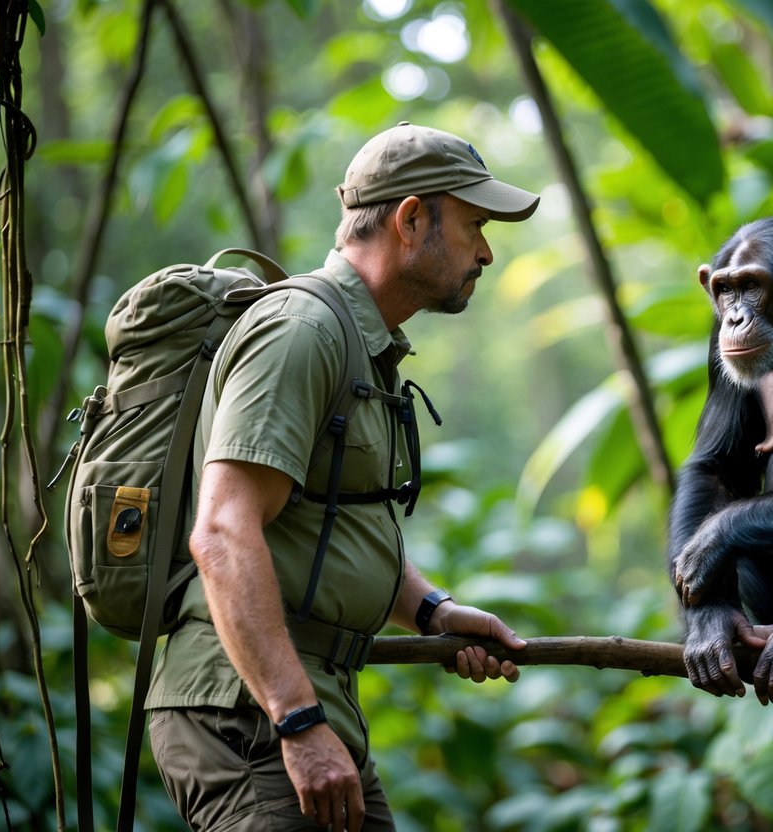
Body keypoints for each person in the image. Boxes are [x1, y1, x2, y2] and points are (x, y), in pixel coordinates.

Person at [145, 122, 538, 831]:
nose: (484, 250)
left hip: (302, 705)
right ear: (410, 219)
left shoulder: (365, 348)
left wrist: (433, 612)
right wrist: (297, 723)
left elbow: (331, 523)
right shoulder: (302, 331)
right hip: (251, 719)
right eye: (474, 224)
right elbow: (224, 533)